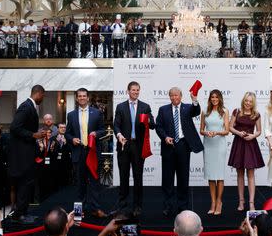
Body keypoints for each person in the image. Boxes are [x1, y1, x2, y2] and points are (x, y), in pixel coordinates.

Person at [156, 87, 202, 215]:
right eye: (172, 95)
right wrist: (165, 137)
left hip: (183, 146)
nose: (174, 98)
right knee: (167, 179)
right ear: (169, 97)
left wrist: (195, 100)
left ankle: (183, 206)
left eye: (177, 95)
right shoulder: (163, 109)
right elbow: (158, 126)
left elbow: (196, 111)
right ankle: (168, 206)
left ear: (181, 96)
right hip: (168, 147)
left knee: (183, 178)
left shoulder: (188, 108)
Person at [113, 81, 156, 216]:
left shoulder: (145, 107)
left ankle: (137, 206)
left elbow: (153, 125)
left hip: (138, 146)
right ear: (128, 91)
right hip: (124, 145)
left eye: (138, 90)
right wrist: (119, 135)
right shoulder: (120, 107)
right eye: (133, 90)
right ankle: (122, 205)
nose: (136, 92)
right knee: (123, 176)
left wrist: (149, 121)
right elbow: (116, 125)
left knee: (138, 178)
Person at [65, 88, 106, 218]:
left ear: (88, 98)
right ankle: (78, 212)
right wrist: (72, 139)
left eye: (84, 96)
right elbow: (67, 133)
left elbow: (103, 130)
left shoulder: (97, 113)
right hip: (79, 152)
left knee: (94, 182)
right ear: (77, 99)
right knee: (79, 184)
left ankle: (95, 209)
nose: (82, 98)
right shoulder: (71, 115)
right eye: (80, 96)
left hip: (92, 152)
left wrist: (96, 133)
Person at [8, 84, 46, 223]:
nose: (43, 98)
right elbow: (14, 127)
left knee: (28, 183)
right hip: (22, 154)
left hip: (27, 152)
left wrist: (35, 135)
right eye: (43, 96)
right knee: (25, 183)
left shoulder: (30, 106)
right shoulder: (26, 106)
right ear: (38, 93)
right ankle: (18, 215)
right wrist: (33, 135)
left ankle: (24, 211)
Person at [228, 92, 264, 212]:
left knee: (251, 175)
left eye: (250, 101)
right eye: (246, 101)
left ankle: (252, 203)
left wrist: (252, 136)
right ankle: (241, 202)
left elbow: (259, 131)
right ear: (243, 101)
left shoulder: (256, 114)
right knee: (239, 175)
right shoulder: (236, 111)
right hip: (239, 143)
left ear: (253, 103)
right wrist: (239, 133)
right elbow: (230, 127)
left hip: (250, 144)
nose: (248, 103)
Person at [199, 89, 229, 215]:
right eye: (212, 97)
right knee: (211, 176)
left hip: (220, 145)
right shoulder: (205, 111)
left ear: (220, 98)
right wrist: (207, 132)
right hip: (208, 144)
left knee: (220, 176)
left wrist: (216, 132)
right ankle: (212, 202)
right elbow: (201, 130)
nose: (214, 99)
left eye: (216, 97)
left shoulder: (225, 111)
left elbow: (227, 130)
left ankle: (219, 202)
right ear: (210, 98)